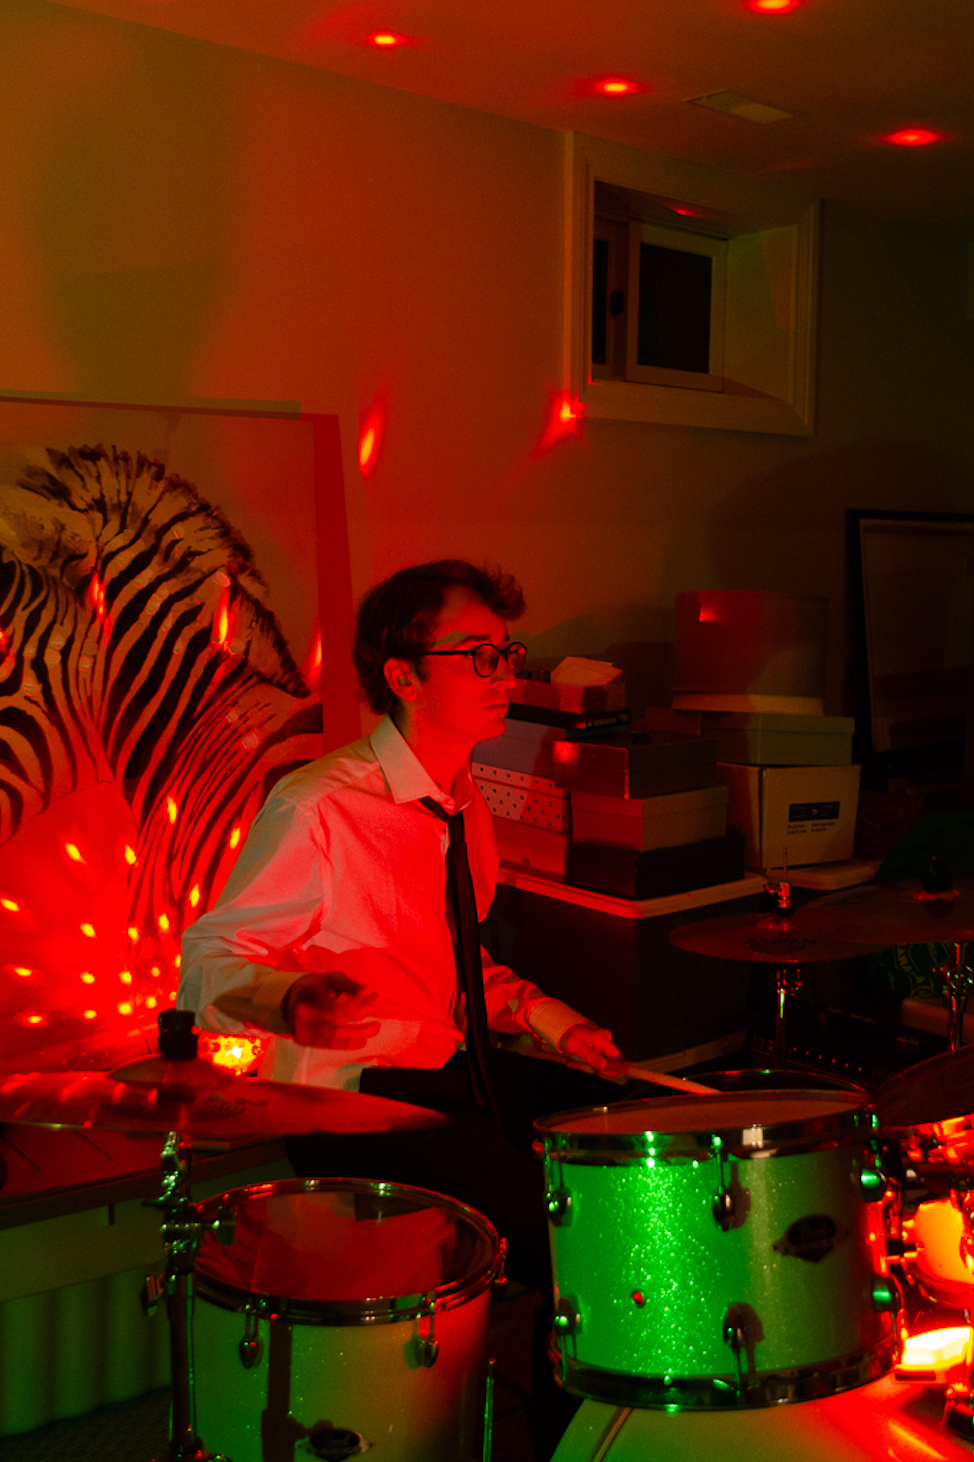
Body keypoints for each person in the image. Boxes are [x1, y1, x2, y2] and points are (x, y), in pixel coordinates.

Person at [177, 559, 630, 1454]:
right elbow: (210, 960)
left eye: (509, 655)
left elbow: (460, 965)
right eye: (481, 657)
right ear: (404, 674)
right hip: (358, 1096)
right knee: (576, 1248)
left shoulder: (463, 800)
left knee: (617, 1158)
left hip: (453, 1066)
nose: (508, 677)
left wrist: (549, 1019)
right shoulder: (318, 807)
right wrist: (293, 996)